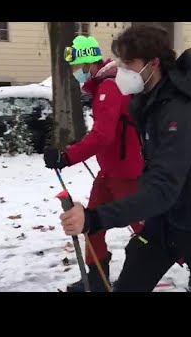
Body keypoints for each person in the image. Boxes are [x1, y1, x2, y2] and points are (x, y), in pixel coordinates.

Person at [59, 25, 191, 292]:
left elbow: (163, 188)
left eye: (129, 62)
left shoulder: (179, 113)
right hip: (164, 223)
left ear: (153, 63)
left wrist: (94, 218)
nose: (121, 69)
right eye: (121, 61)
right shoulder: (152, 103)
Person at [44, 35, 144, 292]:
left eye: (77, 67)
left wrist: (67, 156)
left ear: (88, 62)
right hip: (111, 172)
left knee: (149, 230)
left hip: (126, 173)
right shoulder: (104, 85)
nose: (76, 73)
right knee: (91, 224)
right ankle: (97, 279)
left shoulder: (109, 88)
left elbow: (103, 135)